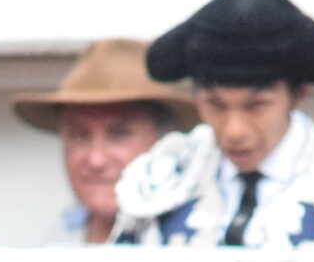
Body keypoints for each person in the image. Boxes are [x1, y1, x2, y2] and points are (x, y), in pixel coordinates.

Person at [114, 0, 314, 249]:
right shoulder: (162, 179)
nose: (234, 131)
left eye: (257, 106)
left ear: (299, 95)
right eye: (214, 105)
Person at [11, 39, 196, 246]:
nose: (96, 160)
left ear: (165, 143)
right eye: (79, 135)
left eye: (119, 135)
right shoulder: (63, 233)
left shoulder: (198, 235)